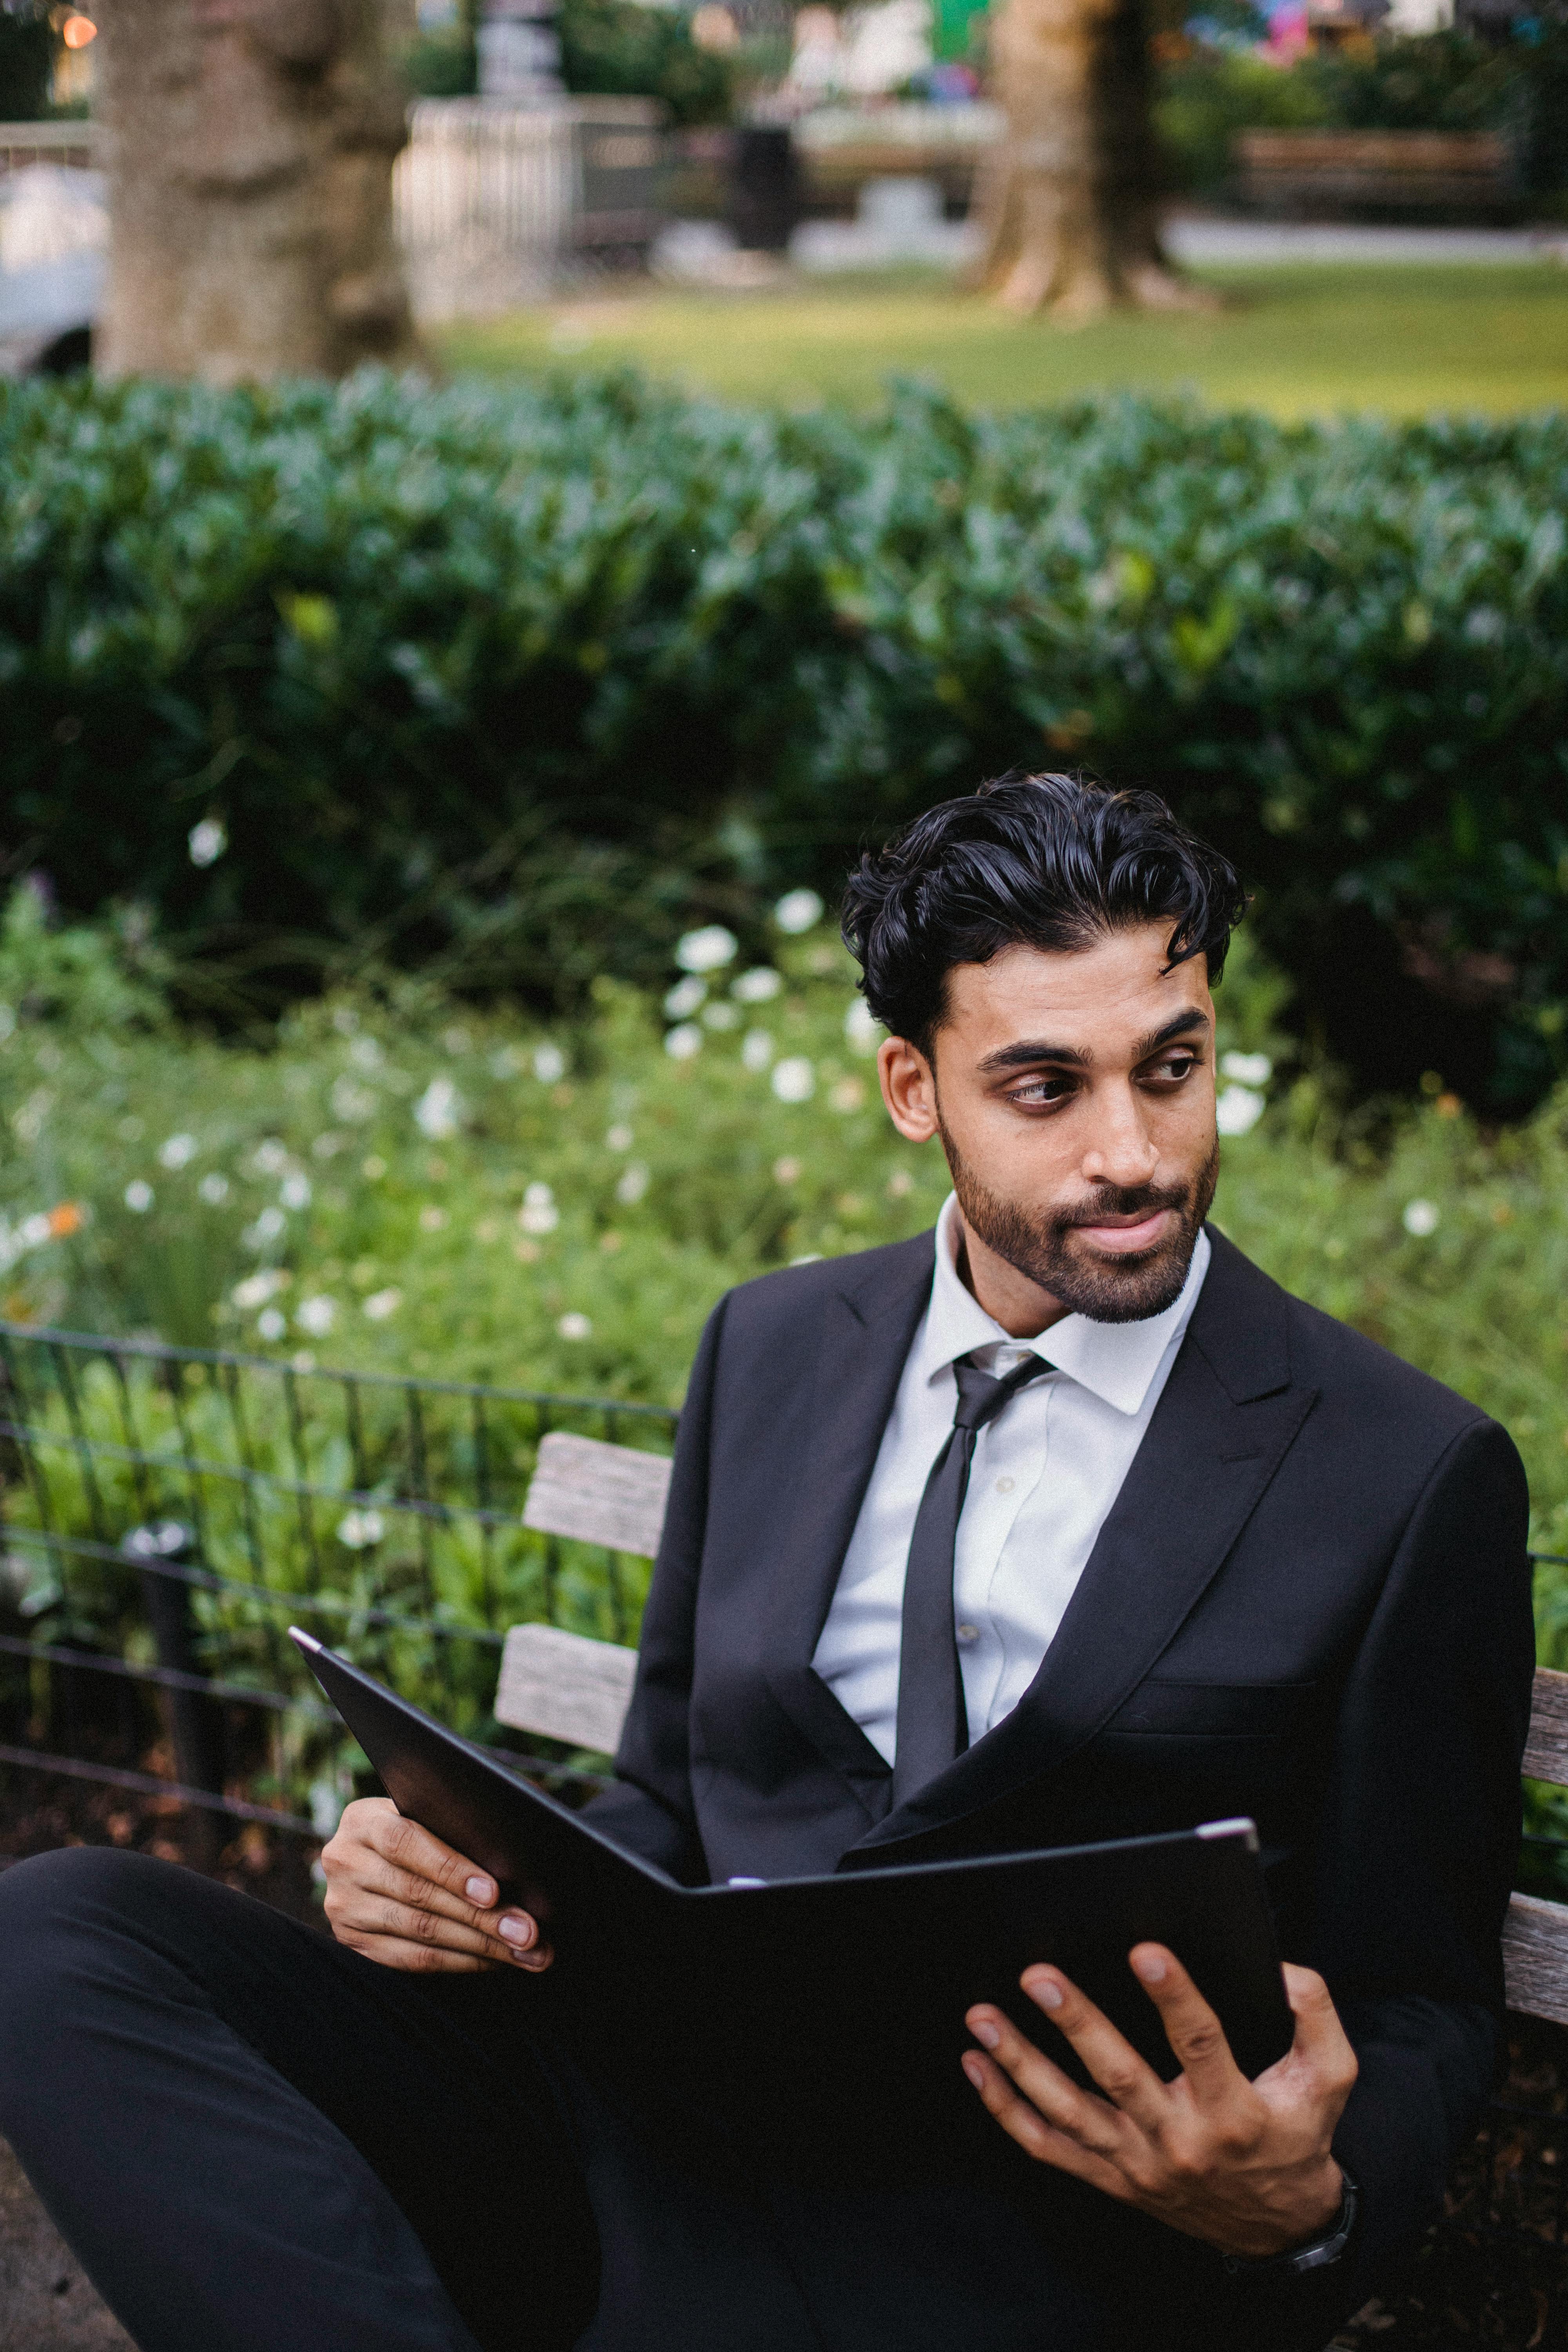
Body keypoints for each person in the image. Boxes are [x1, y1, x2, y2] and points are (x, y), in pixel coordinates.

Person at [0, 773, 1533, 2352]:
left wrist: (1305, 2208)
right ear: (911, 1089)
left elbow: (1424, 2003)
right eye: (1043, 1087)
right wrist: (460, 1882)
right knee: (60, 1942)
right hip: (639, 2105)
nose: (1132, 1152)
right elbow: (667, 1792)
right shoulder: (778, 1341)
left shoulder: (1403, 1474)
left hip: (1004, 2219)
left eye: (1173, 1067)